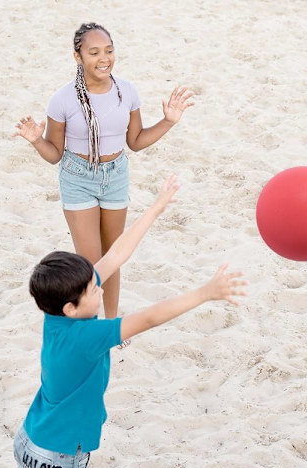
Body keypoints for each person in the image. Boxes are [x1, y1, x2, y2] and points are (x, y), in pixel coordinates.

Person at [1, 175, 247, 468]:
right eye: (92, 292)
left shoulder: (58, 317)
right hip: (62, 458)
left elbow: (115, 255)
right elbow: (149, 318)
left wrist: (156, 207)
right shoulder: (86, 337)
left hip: (30, 442)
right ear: (71, 306)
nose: (100, 291)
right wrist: (205, 292)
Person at [13, 22, 194, 320]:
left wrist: (169, 121)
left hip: (116, 174)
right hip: (77, 176)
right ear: (78, 57)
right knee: (91, 262)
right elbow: (54, 154)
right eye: (94, 52)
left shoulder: (128, 91)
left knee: (114, 257)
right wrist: (35, 140)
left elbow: (135, 142)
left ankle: (111, 323)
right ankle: (91, 324)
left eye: (109, 51)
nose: (104, 58)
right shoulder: (62, 99)